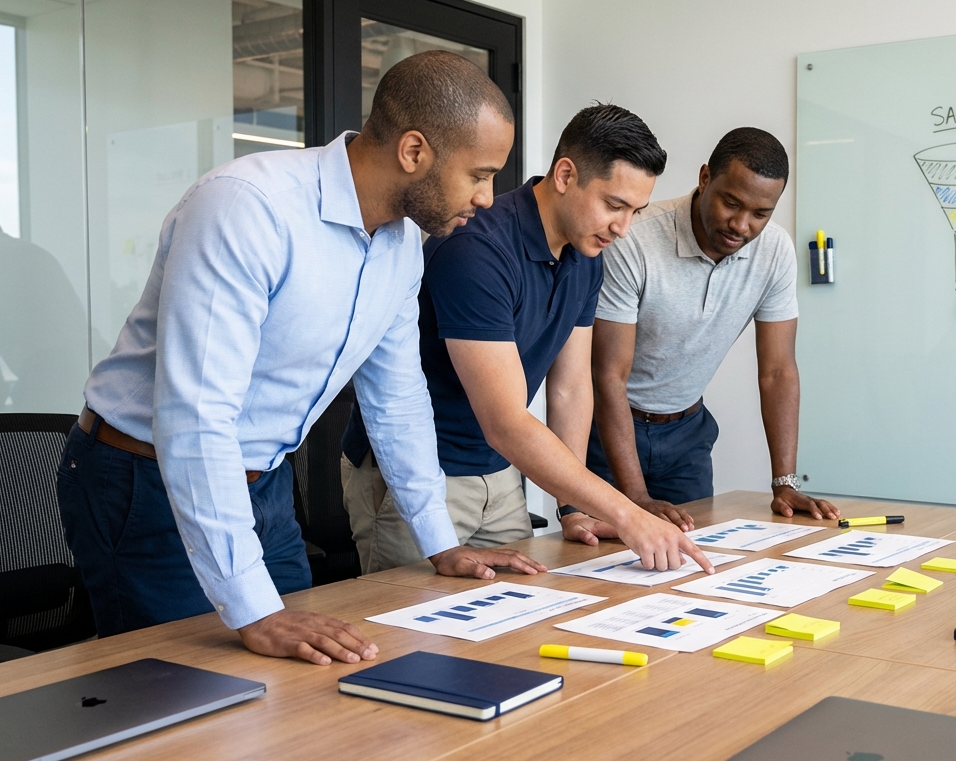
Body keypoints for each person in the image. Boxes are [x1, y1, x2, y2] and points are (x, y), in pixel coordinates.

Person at [56, 51, 544, 666]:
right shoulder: (247, 207)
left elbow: (397, 401)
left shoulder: (400, 247)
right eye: (479, 173)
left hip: (264, 484)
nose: (486, 197)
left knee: (302, 678)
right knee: (193, 700)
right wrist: (254, 611)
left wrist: (440, 544)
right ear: (415, 152)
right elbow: (196, 416)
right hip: (146, 477)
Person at [341, 104, 715, 574]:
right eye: (614, 205)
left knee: (520, 617)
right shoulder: (476, 247)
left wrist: (572, 505)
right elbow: (506, 420)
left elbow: (571, 386)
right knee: (414, 634)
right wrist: (627, 512)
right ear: (564, 174)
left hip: (500, 473)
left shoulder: (587, 253)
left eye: (635, 211)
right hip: (418, 477)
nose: (623, 228)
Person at [587, 127, 839, 522]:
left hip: (688, 435)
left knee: (696, 560)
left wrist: (785, 483)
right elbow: (608, 375)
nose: (741, 225)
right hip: (607, 430)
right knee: (603, 566)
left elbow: (777, 372)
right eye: (731, 203)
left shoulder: (774, 251)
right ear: (705, 178)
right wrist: (635, 496)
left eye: (760, 214)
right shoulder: (633, 240)